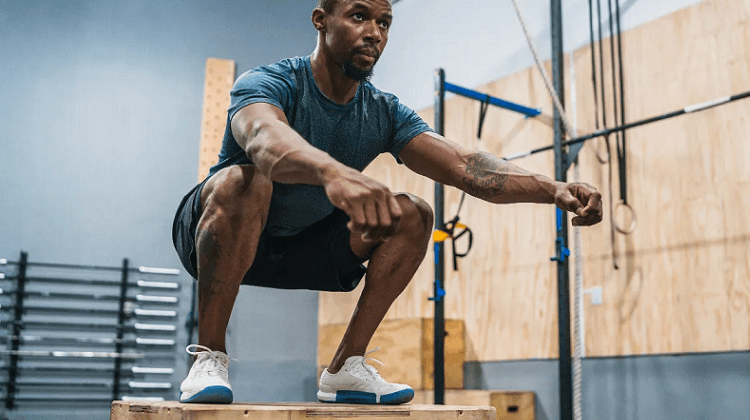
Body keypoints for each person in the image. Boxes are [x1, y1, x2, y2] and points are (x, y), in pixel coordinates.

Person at [172, 0, 602, 406]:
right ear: (321, 20)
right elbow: (264, 141)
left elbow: (465, 165)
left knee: (413, 214)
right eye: (359, 16)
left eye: (384, 22)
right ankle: (209, 358)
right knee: (245, 182)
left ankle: (345, 368)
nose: (374, 33)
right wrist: (335, 173)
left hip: (305, 247)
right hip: (220, 235)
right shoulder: (270, 82)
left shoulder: (383, 112)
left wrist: (552, 188)